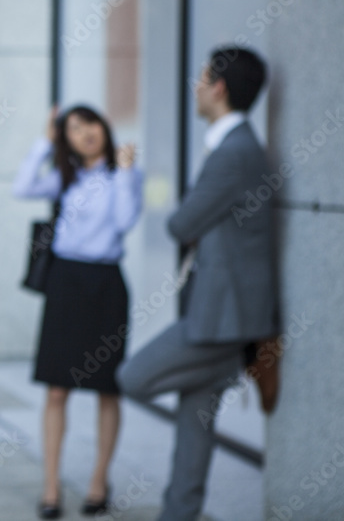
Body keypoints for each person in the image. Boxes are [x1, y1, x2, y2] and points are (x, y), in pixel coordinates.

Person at [117, 46, 279, 521]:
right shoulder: (236, 145)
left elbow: (181, 223)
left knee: (132, 376)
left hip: (220, 319)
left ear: (219, 87)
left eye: (201, 77)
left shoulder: (234, 152)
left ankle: (223, 368)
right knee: (194, 433)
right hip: (219, 313)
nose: (195, 86)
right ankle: (178, 514)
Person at [12, 105, 143, 519]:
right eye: (73, 129)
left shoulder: (122, 174)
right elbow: (22, 187)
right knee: (56, 389)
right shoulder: (65, 180)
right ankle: (50, 488)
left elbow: (124, 220)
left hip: (106, 285)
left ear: (104, 128)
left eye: (90, 124)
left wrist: (123, 172)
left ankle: (98, 481)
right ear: (64, 138)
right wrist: (44, 141)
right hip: (65, 284)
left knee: (107, 387)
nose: (84, 133)